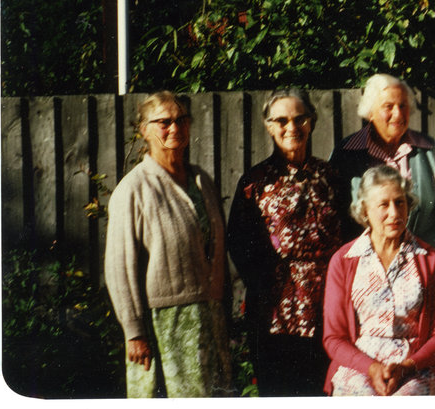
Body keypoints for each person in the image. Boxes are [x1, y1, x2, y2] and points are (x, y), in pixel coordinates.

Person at [105, 91, 232, 397]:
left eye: (182, 120)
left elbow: (217, 254)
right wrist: (134, 331)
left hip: (210, 320)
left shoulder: (202, 181)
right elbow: (119, 267)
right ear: (144, 130)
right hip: (164, 325)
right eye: (163, 122)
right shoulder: (133, 189)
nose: (175, 128)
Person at [227, 87, 343, 396]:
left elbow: (349, 236)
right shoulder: (255, 182)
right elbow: (238, 242)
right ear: (268, 126)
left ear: (312, 122)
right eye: (281, 120)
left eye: (300, 118)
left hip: (327, 304)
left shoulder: (330, 176)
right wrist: (267, 286)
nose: (291, 127)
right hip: (275, 310)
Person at [322, 165, 435, 396]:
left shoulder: (429, 259)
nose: (394, 213)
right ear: (365, 211)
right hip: (359, 365)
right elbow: (334, 337)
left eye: (400, 202)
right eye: (384, 204)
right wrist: (371, 368)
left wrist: (407, 367)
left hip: (415, 365)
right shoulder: (343, 260)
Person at [329, 74, 435, 264]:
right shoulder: (346, 153)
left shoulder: (429, 150)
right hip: (365, 266)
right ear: (370, 112)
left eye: (403, 106)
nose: (398, 114)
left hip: (425, 264)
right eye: (388, 107)